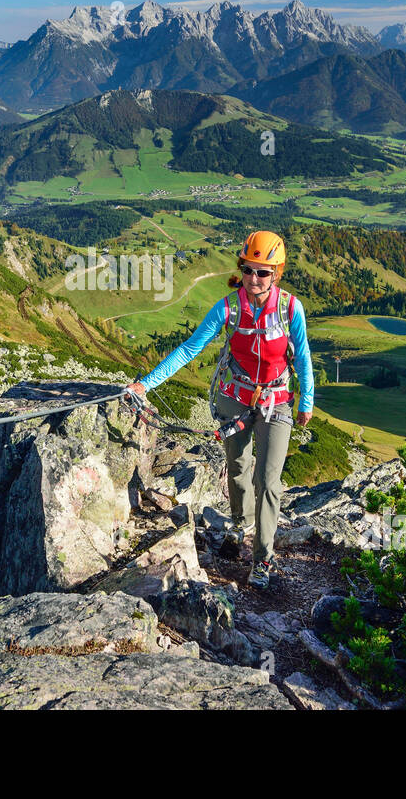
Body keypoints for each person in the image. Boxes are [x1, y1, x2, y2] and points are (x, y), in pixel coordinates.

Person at [126, 230, 314, 589]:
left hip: (277, 403)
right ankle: (240, 524)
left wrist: (306, 399)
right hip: (235, 399)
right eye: (248, 269)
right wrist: (145, 384)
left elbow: (302, 356)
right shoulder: (228, 308)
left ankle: (262, 559)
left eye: (263, 271)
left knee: (268, 481)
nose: (254, 278)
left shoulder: (291, 308)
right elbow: (189, 349)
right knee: (238, 467)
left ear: (277, 273)